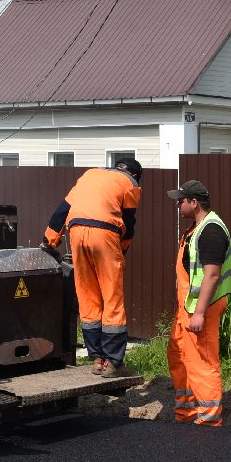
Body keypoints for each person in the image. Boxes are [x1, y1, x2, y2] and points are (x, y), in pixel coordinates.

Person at [41, 158, 144, 374]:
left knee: (87, 295)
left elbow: (62, 211)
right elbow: (129, 222)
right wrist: (122, 250)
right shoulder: (130, 184)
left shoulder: (89, 175)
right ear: (135, 175)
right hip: (105, 234)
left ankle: (97, 359)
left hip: (76, 232)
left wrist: (49, 241)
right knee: (112, 296)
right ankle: (114, 362)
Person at [166, 180, 231, 427]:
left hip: (201, 308)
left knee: (202, 362)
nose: (178, 205)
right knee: (180, 356)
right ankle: (187, 413)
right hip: (188, 307)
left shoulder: (211, 231)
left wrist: (199, 313)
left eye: (181, 201)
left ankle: (208, 422)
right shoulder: (194, 229)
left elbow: (212, 275)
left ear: (194, 203)